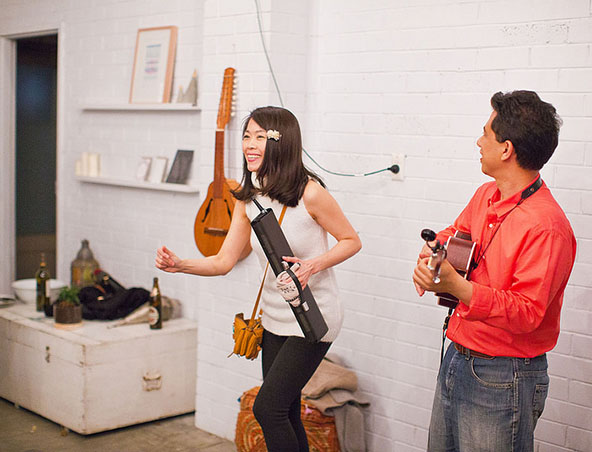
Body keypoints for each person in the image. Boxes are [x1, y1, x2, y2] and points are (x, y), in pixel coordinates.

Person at [156, 106, 361, 452]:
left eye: (260, 137)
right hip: (275, 316)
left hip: (314, 317)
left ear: (281, 143)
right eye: (247, 136)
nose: (250, 145)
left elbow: (352, 240)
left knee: (268, 408)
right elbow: (224, 260)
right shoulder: (249, 195)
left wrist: (313, 265)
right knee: (286, 409)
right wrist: (181, 264)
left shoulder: (310, 193)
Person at [412, 90, 576, 452]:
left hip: (504, 376)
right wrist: (430, 256)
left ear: (506, 149)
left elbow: (527, 312)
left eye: (485, 132)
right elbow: (454, 237)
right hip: (459, 355)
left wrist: (457, 287)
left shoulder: (546, 226)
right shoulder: (486, 194)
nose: (478, 140)